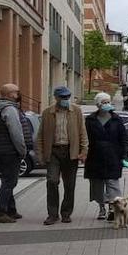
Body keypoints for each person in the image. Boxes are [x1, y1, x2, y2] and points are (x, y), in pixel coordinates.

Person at [37, 87, 88, 225]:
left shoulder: (76, 111)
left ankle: (66, 213)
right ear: (56, 98)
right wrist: (40, 154)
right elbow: (40, 135)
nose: (66, 100)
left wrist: (84, 152)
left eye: (67, 97)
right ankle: (52, 214)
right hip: (53, 152)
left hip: (71, 152)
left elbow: (82, 133)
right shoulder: (48, 113)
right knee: (52, 181)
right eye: (62, 97)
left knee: (69, 184)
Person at [0, 83, 31, 223]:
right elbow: (16, 132)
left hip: (1, 150)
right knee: (9, 182)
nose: (19, 94)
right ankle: (0, 212)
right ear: (9, 95)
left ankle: (11, 209)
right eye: (16, 92)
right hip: (9, 151)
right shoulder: (9, 109)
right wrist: (22, 149)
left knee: (8, 180)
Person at [85, 91, 127, 221]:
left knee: (113, 185)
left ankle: (112, 209)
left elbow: (124, 138)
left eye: (108, 102)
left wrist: (123, 155)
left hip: (113, 156)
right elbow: (85, 138)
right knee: (97, 185)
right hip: (95, 157)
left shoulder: (116, 119)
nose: (107, 104)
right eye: (104, 102)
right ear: (98, 105)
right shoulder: (90, 120)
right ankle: (101, 207)